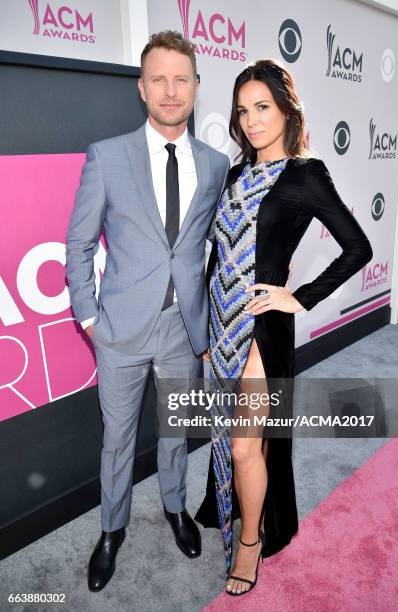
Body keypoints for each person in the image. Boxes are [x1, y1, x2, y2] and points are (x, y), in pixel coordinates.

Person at [195, 58, 373, 596]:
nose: (251, 121)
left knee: (248, 445)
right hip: (220, 324)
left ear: (286, 109)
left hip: (260, 330)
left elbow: (357, 248)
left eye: (262, 108)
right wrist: (205, 330)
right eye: (243, 111)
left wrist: (298, 297)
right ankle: (243, 514)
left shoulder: (305, 174)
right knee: (229, 439)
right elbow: (220, 253)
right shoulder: (233, 174)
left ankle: (250, 541)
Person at [65, 30, 230, 592]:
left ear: (196, 87)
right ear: (141, 87)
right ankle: (111, 530)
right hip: (120, 331)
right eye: (158, 78)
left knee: (175, 432)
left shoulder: (214, 165)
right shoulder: (107, 157)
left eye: (180, 79)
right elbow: (79, 245)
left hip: (184, 330)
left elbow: (209, 247)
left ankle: (175, 508)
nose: (170, 90)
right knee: (116, 439)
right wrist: (89, 320)